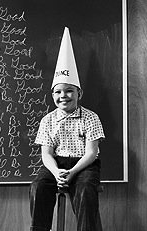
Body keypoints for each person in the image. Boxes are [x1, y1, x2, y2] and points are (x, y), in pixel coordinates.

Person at [29, 27, 105, 231]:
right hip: (56, 164)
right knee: (38, 186)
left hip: (84, 166)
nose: (63, 96)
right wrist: (56, 172)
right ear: (52, 94)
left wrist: (71, 173)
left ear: (79, 93)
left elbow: (91, 153)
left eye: (69, 91)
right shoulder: (47, 120)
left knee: (86, 190)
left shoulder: (90, 117)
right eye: (58, 92)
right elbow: (46, 154)